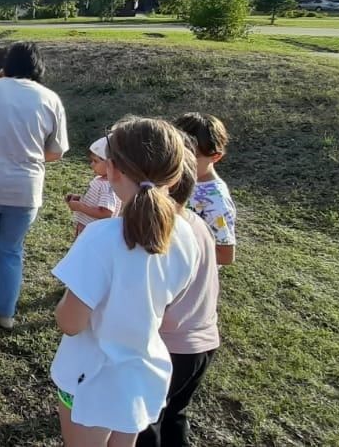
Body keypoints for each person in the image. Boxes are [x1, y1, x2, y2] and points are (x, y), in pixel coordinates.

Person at [50, 117, 201, 446]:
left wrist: (65, 301)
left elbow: (71, 322)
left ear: (113, 169)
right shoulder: (188, 235)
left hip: (89, 379)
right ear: (175, 174)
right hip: (143, 377)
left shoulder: (99, 236)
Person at [0, 42, 69, 338]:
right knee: (11, 251)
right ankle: (5, 313)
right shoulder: (50, 98)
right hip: (25, 189)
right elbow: (57, 150)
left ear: (7, 66)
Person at [136, 141, 221, 447]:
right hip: (202, 343)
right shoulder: (196, 224)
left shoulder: (162, 234)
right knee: (175, 415)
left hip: (168, 347)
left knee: (146, 423)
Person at [173, 112, 238, 266]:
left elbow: (225, 255)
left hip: (190, 279)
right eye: (176, 153)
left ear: (215, 157)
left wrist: (180, 250)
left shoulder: (216, 202)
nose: (178, 162)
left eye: (190, 156)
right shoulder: (175, 178)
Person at [64, 137, 120, 240]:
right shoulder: (99, 179)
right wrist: (80, 199)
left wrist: (81, 207)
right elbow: (97, 202)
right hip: (87, 229)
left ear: (111, 165)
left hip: (95, 234)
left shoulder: (108, 186)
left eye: (95, 161)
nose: (91, 164)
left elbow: (106, 213)